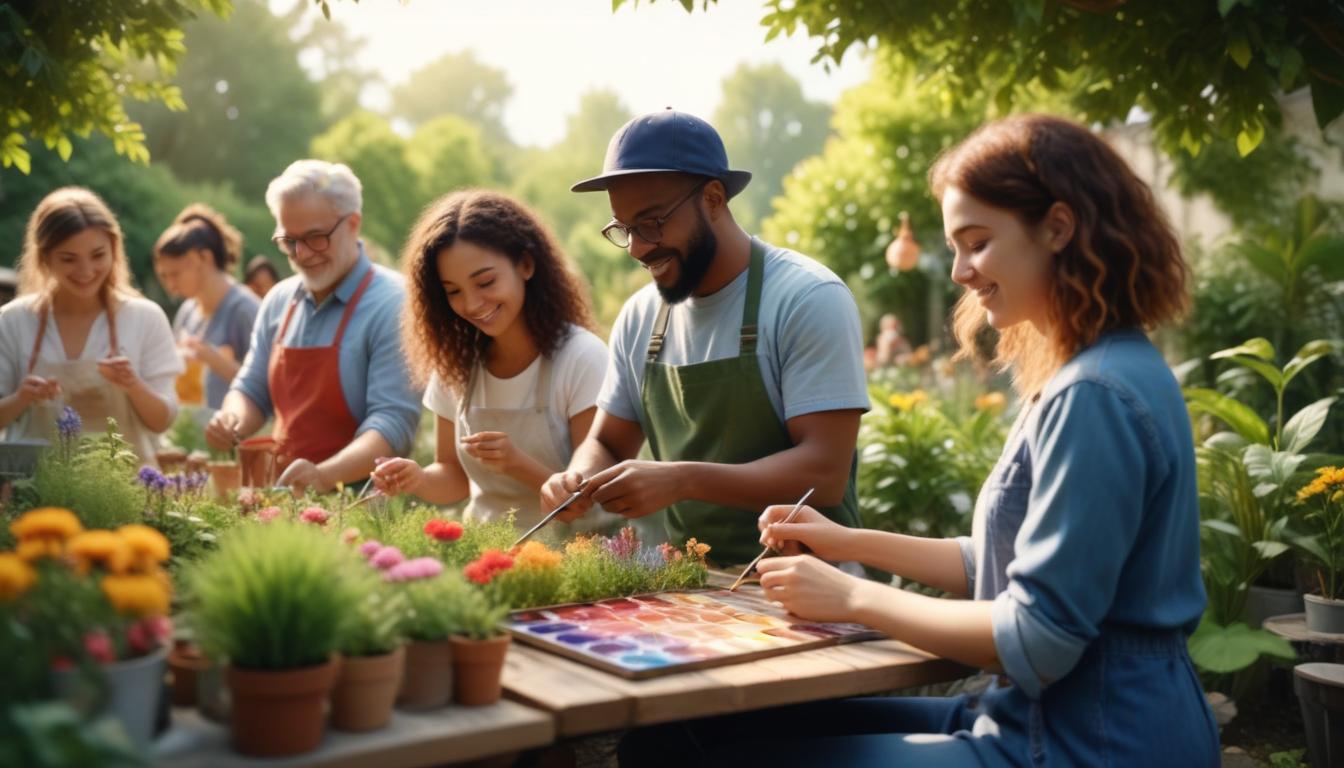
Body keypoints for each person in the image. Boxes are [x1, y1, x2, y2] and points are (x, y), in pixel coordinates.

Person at [621, 115, 1218, 766]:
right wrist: (846, 542)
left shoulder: (1095, 396)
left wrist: (851, 594)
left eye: (978, 242)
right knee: (689, 733)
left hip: (1090, 740)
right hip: (1048, 717)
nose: (960, 271)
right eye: (955, 248)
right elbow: (997, 559)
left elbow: (1037, 637)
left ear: (1057, 227)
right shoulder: (1100, 369)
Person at [541, 109, 869, 565]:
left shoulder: (806, 298)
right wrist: (578, 476)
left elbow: (824, 472)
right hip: (694, 585)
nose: (637, 247)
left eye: (651, 222)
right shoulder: (640, 317)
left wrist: (682, 480)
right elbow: (610, 442)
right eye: (625, 228)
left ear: (713, 198)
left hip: (815, 581)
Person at [370, 190, 613, 527]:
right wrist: (419, 479)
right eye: (453, 291)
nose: (471, 304)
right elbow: (453, 476)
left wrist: (515, 462)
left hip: (577, 558)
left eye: (485, 282)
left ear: (526, 264)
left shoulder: (582, 358)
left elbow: (589, 498)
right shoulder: (456, 364)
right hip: (488, 553)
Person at [205, 160, 420, 493]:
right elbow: (251, 388)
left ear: (353, 224)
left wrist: (324, 475)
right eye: (289, 241)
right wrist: (231, 419)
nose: (302, 254)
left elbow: (392, 424)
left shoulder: (394, 303)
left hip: (363, 502)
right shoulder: (278, 300)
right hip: (284, 494)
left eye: (315, 238)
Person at [0, 187, 182, 464]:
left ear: (114, 249)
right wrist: (21, 398)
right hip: (33, 493)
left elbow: (163, 422)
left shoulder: (145, 318)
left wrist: (133, 384)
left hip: (125, 492)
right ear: (45, 257)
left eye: (98, 255)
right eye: (68, 259)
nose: (86, 271)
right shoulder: (12, 321)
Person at [154, 204, 260, 411]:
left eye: (175, 274)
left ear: (203, 258)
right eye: (164, 276)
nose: (170, 285)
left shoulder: (245, 309)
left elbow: (268, 385)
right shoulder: (188, 311)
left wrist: (212, 359)